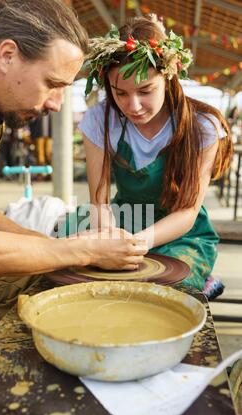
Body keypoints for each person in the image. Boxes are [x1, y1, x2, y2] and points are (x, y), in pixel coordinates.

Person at [0, 0, 147, 364]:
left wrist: (59, 250)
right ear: (8, 55)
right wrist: (86, 249)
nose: (58, 104)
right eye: (52, 84)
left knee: (48, 272)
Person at [71, 15, 233, 291]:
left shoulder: (202, 127)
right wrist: (110, 239)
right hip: (125, 220)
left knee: (158, 288)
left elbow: (188, 211)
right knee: (73, 270)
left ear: (169, 77)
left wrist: (137, 245)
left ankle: (199, 276)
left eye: (145, 90)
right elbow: (100, 201)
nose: (133, 106)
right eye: (120, 93)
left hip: (182, 231)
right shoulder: (100, 120)